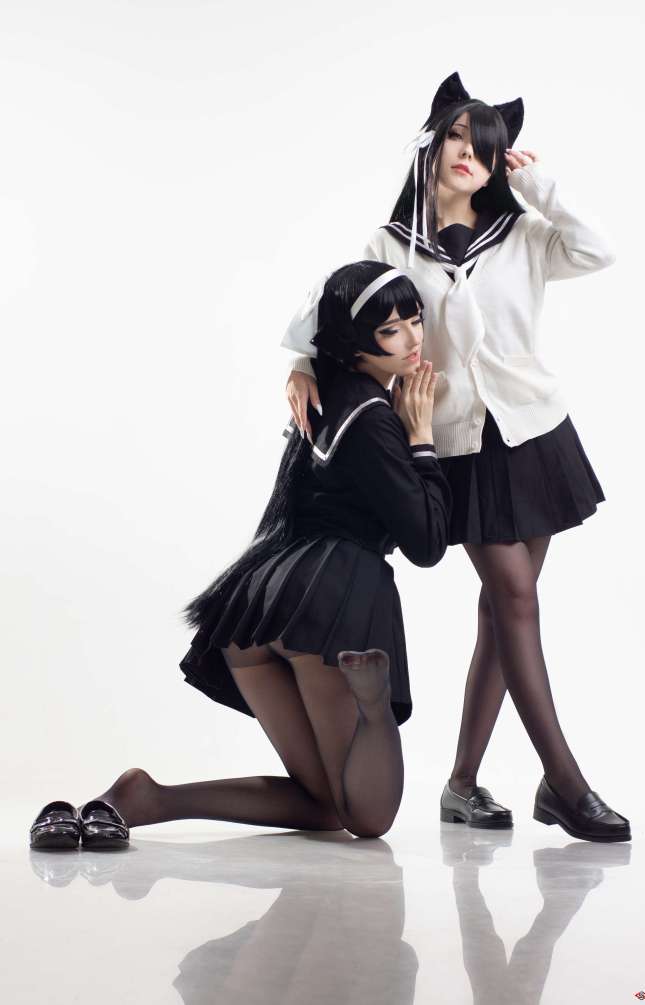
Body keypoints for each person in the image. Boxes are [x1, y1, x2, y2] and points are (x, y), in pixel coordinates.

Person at [284, 72, 631, 843]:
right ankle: (564, 782)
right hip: (459, 443)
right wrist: (305, 363)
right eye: (456, 136)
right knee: (515, 597)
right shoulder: (389, 243)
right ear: (433, 144)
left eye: (485, 144)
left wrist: (535, 183)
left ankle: (462, 785)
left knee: (500, 611)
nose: (468, 151)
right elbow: (339, 309)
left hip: (535, 433)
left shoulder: (523, 233)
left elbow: (598, 248)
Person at [29, 261, 452, 849]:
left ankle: (147, 798)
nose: (412, 340)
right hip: (330, 604)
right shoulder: (375, 418)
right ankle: (374, 701)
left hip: (259, 606)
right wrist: (422, 437)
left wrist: (300, 367)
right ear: (354, 341)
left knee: (326, 807)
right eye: (390, 330)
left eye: (415, 321)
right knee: (369, 818)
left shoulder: (321, 393)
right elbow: (427, 544)